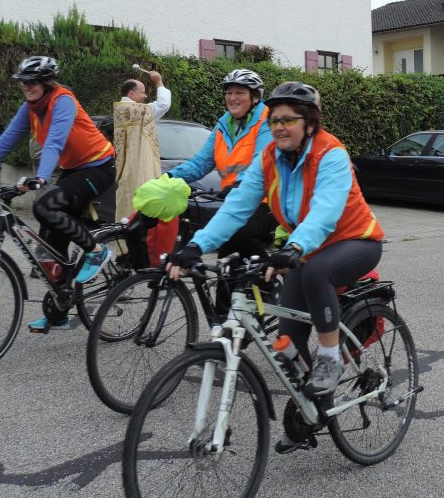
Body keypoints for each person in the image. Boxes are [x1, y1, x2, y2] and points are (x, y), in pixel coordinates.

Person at [167, 81, 383, 403]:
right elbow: (238, 205)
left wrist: (294, 247)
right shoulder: (268, 157)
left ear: (309, 123)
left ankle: (329, 360)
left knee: (315, 273)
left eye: (289, 120)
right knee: (286, 348)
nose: (280, 127)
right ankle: (313, 409)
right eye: (274, 121)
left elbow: (326, 210)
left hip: (355, 240)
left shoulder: (331, 153)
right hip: (304, 249)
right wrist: (196, 246)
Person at [0, 56, 116, 331]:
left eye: (33, 82)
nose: (27, 87)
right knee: (48, 248)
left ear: (46, 83)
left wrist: (41, 177)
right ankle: (59, 312)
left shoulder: (62, 100)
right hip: (74, 169)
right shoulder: (30, 108)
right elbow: (6, 141)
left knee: (45, 206)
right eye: (24, 83)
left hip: (99, 166)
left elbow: (54, 140)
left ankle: (96, 250)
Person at [167, 69, 276, 261]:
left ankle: (269, 279)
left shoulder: (267, 122)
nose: (232, 98)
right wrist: (169, 177)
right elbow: (201, 163)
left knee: (240, 234)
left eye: (239, 93)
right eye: (229, 93)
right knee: (226, 264)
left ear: (255, 97)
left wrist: (240, 184)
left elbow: (262, 159)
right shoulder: (224, 125)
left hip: (266, 200)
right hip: (235, 200)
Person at [114, 69, 171, 221]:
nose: (145, 96)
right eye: (143, 92)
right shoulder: (139, 111)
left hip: (125, 171)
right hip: (140, 170)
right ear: (131, 94)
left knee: (126, 208)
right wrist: (158, 82)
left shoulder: (119, 110)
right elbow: (164, 104)